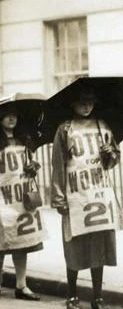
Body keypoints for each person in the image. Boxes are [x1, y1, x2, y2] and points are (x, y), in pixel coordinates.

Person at [51, 87, 122, 309]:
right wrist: (59, 197)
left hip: (99, 193)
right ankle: (72, 295)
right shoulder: (65, 130)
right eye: (82, 102)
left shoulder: (102, 126)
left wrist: (110, 153)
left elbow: (113, 161)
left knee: (98, 247)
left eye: (90, 101)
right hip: (75, 195)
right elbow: (58, 164)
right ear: (73, 104)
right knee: (74, 246)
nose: (86, 106)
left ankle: (97, 296)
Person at [0, 104, 44, 301]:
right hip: (2, 197)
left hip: (21, 198)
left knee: (21, 243)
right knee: (0, 243)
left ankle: (21, 285)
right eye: (6, 115)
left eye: (14, 115)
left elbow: (30, 165)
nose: (11, 119)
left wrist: (33, 167)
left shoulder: (24, 140)